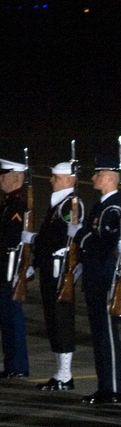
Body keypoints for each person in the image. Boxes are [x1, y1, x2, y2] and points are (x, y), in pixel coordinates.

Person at [77, 154, 121, 406]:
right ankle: (104, 385)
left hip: (105, 278)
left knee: (106, 334)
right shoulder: (101, 205)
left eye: (98, 174)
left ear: (109, 177)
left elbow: (106, 244)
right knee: (99, 335)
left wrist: (82, 239)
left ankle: (113, 388)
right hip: (95, 277)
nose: (93, 178)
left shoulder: (114, 207)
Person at [33, 160, 81, 391]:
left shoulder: (71, 205)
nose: (51, 180)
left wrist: (34, 241)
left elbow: (65, 240)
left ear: (69, 180)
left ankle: (65, 373)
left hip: (60, 270)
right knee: (53, 319)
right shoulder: (59, 203)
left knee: (61, 319)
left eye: (56, 176)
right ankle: (60, 372)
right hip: (50, 268)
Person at [0, 156, 29, 380]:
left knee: (12, 316)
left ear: (16, 178)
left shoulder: (18, 205)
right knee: (6, 317)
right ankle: (12, 363)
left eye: (4, 175)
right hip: (4, 267)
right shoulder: (9, 203)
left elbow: (13, 237)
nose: (1, 179)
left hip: (10, 267)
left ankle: (18, 364)